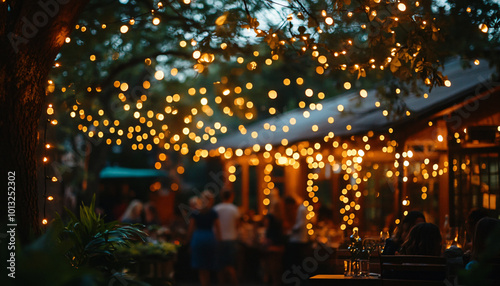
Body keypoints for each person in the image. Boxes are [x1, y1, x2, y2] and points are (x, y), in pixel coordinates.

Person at [187, 191, 221, 286]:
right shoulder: (213, 213)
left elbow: (191, 229)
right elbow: (218, 229)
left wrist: (188, 241)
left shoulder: (196, 213)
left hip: (198, 238)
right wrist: (219, 241)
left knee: (201, 268)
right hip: (209, 238)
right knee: (209, 265)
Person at [214, 190, 240, 286]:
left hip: (219, 239)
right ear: (231, 196)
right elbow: (237, 225)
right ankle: (235, 282)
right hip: (231, 239)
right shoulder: (234, 209)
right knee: (230, 264)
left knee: (220, 266)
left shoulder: (216, 209)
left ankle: (222, 283)